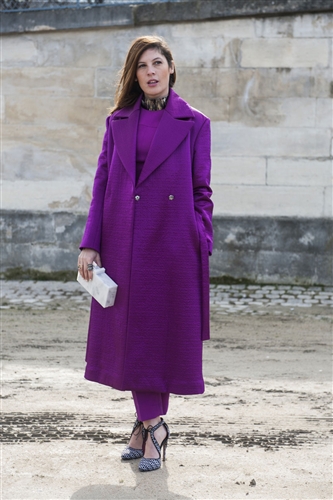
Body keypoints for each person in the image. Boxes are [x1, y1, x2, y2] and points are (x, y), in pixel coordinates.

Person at [78, 35, 213, 472]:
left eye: (157, 63)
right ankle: (151, 424)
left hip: (172, 242)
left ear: (171, 68)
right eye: (142, 66)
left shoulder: (195, 122)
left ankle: (149, 425)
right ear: (133, 75)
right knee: (131, 335)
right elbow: (101, 185)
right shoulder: (116, 119)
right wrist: (90, 242)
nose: (150, 72)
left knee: (158, 334)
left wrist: (199, 235)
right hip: (121, 239)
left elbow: (201, 190)